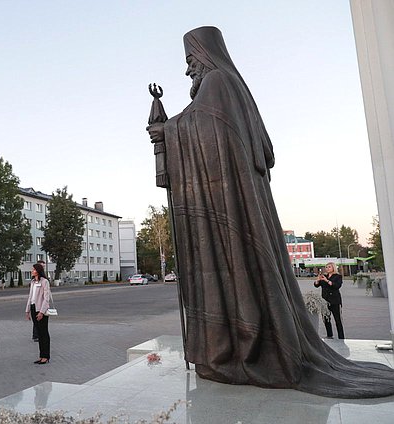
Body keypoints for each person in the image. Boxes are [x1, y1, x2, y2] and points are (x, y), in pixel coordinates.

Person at [146, 26, 394, 397]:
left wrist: (168, 130)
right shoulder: (231, 86)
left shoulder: (217, 82)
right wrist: (174, 128)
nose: (188, 71)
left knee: (233, 271)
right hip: (237, 200)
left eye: (190, 61)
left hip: (228, 203)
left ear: (204, 55)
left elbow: (208, 130)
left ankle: (239, 348)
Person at [25, 263, 50, 364]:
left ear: (38, 271)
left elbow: (46, 298)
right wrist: (27, 311)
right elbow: (30, 297)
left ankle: (46, 356)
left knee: (44, 333)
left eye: (33, 269)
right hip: (33, 307)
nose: (32, 271)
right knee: (39, 333)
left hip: (41, 309)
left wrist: (41, 312)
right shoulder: (33, 282)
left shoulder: (45, 282)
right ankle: (41, 356)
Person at [314, 262, 344, 339]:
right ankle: (329, 335)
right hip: (325, 300)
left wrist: (327, 281)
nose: (327, 268)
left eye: (329, 267)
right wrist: (318, 280)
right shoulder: (324, 276)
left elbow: (336, 286)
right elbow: (317, 285)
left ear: (333, 268)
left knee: (338, 320)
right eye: (326, 267)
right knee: (326, 319)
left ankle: (341, 337)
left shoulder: (338, 276)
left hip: (335, 301)